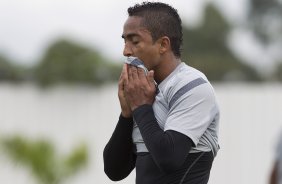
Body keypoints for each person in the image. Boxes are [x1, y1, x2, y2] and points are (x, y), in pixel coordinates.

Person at [103, 2, 220, 184]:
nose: (126, 51)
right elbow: (114, 171)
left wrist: (141, 107)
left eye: (134, 41)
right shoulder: (143, 92)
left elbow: (169, 159)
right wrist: (126, 114)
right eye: (124, 41)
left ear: (163, 45)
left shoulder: (192, 85)